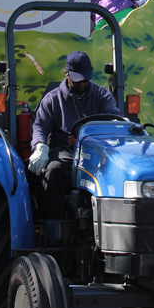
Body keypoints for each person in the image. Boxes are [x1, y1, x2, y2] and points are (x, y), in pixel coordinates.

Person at [28, 51, 122, 219]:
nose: (83, 84)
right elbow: (41, 126)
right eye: (78, 80)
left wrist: (118, 127)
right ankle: (55, 226)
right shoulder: (52, 100)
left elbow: (113, 118)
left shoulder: (101, 96)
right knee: (52, 171)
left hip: (96, 152)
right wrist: (40, 146)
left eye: (86, 79)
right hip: (66, 151)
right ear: (67, 73)